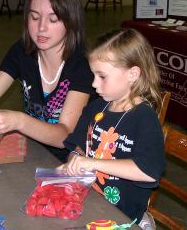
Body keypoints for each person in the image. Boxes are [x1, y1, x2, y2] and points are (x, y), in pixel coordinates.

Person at [0, 0, 94, 162]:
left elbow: (65, 136)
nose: (41, 28)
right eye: (34, 17)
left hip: (72, 161)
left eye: (53, 19)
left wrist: (18, 121)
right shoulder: (22, 51)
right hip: (34, 151)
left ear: (71, 21)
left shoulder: (83, 64)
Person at [60, 29, 166, 226]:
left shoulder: (144, 118)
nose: (93, 84)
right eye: (93, 75)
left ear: (133, 74)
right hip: (89, 199)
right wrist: (75, 158)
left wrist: (92, 163)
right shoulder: (96, 107)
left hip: (122, 216)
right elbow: (78, 146)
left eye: (102, 76)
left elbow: (149, 171)